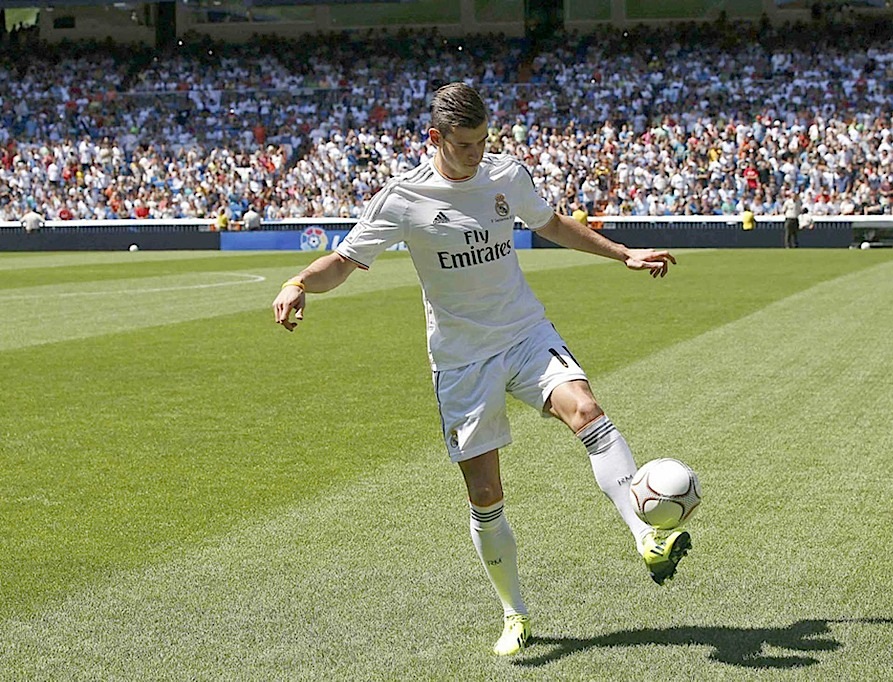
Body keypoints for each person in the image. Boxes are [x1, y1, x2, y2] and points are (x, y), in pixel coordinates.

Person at [272, 82, 686, 657]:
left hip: (523, 332)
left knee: (587, 410)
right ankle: (515, 613)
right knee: (486, 493)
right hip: (461, 359)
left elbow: (551, 224)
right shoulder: (402, 198)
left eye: (483, 141)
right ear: (435, 138)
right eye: (465, 144)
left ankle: (646, 536)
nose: (476, 153)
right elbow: (343, 262)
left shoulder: (505, 175)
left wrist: (623, 254)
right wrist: (297, 283)